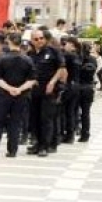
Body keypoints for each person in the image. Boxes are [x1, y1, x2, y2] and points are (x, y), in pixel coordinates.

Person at [0, 33, 36, 157]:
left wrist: (9, 88)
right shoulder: (27, 59)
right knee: (15, 122)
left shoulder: (2, 59)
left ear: (9, 42)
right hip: (21, 95)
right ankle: (12, 150)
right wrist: (19, 89)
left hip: (3, 94)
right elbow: (32, 79)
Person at [27, 28, 67, 157]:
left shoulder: (53, 51)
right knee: (35, 118)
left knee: (46, 118)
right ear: (32, 41)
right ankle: (37, 143)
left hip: (49, 89)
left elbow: (61, 68)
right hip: (35, 90)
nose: (39, 41)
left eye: (41, 38)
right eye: (36, 39)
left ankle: (45, 145)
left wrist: (53, 82)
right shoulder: (30, 54)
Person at [71, 40, 98, 143]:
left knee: (74, 111)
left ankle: (73, 130)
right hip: (89, 87)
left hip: (78, 86)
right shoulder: (94, 60)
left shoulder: (77, 59)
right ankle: (85, 134)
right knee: (86, 113)